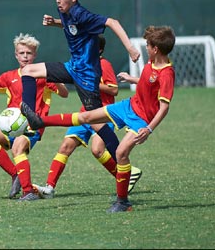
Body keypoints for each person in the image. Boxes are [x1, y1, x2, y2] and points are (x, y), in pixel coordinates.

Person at [22, 25, 175, 212]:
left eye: (148, 45)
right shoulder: (151, 64)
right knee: (87, 116)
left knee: (120, 154)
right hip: (127, 106)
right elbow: (148, 82)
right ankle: (39, 121)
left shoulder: (167, 73)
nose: (146, 48)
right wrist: (132, 79)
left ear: (156, 49)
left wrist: (149, 129)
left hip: (141, 119)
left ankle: (122, 201)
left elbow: (164, 107)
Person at [21, 0, 141, 162]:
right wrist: (55, 22)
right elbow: (72, 27)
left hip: (87, 74)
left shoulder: (81, 13)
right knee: (28, 71)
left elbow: (112, 22)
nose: (58, 1)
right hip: (72, 67)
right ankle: (30, 116)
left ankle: (122, 160)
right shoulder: (64, 11)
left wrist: (130, 48)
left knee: (96, 123)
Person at [34, 34, 142, 199]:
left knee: (97, 150)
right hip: (85, 113)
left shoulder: (103, 64)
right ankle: (49, 188)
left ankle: (125, 176)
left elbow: (114, 90)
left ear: (98, 49)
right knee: (65, 147)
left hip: (103, 114)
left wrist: (90, 83)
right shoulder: (84, 65)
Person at [0, 33, 69, 201]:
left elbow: (65, 94)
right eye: (21, 53)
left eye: (28, 53)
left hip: (33, 124)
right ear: (16, 54)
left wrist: (54, 77)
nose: (25, 56)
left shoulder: (42, 75)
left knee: (18, 149)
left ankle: (28, 191)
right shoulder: (9, 77)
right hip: (12, 124)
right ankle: (16, 174)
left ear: (35, 55)